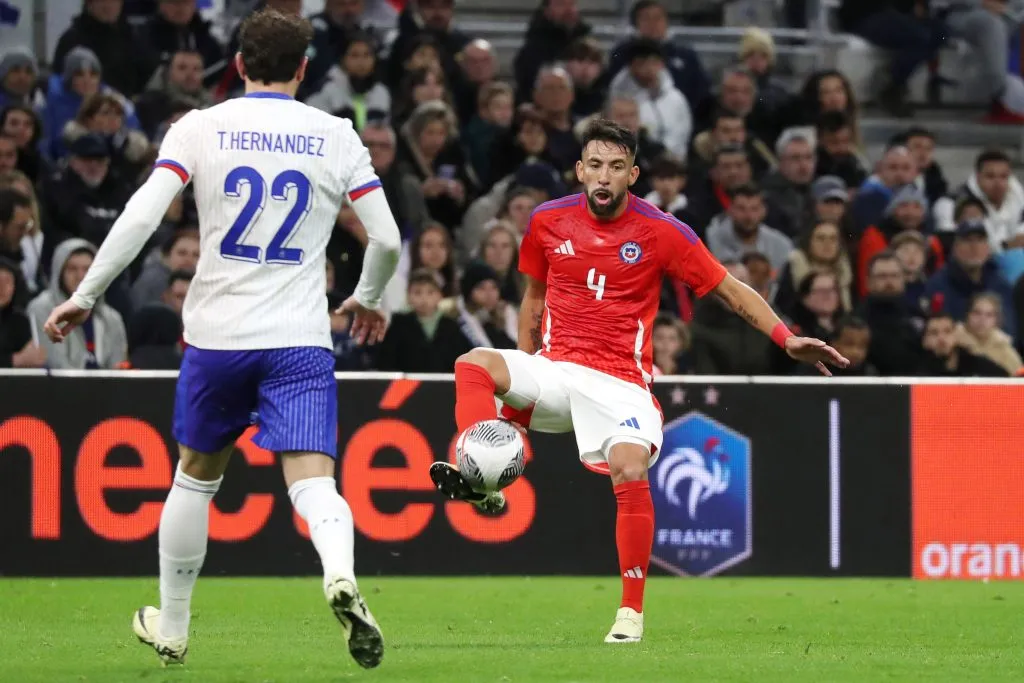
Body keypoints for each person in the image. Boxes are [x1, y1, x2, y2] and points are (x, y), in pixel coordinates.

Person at [42, 9, 400, 670]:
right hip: (299, 337)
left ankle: (173, 626)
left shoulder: (200, 126)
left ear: (237, 65)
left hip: (217, 336)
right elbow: (387, 239)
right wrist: (369, 299)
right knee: (314, 482)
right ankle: (340, 576)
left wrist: (85, 293)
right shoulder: (335, 133)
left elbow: (143, 213)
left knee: (195, 478)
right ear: (302, 69)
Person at [427, 120, 847, 644]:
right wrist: (524, 379)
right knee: (473, 363)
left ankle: (630, 613)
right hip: (557, 368)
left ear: (633, 174)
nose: (604, 177)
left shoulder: (661, 231)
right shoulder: (546, 221)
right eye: (595, 165)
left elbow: (730, 289)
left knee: (627, 466)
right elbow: (534, 296)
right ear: (580, 170)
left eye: (616, 167)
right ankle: (480, 471)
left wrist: (787, 340)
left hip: (623, 384)